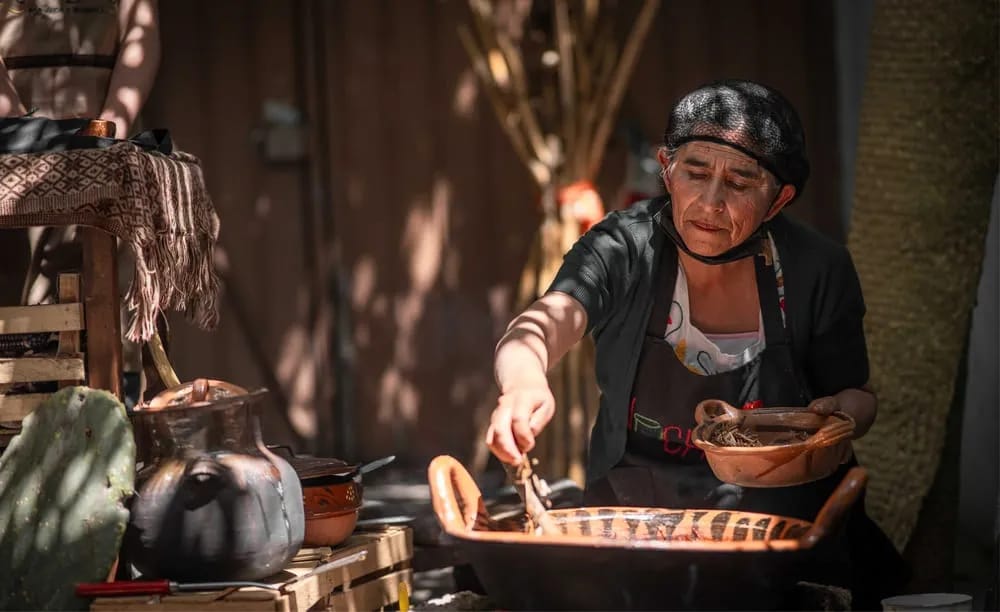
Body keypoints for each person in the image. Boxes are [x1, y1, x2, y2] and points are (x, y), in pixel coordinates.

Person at [487, 79, 907, 608]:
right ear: (666, 168)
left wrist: (835, 420)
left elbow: (858, 398)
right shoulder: (623, 247)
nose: (710, 202)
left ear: (779, 199)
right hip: (640, 526)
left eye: (740, 181)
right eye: (695, 172)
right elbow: (543, 324)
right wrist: (523, 383)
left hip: (780, 534)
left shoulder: (817, 270)